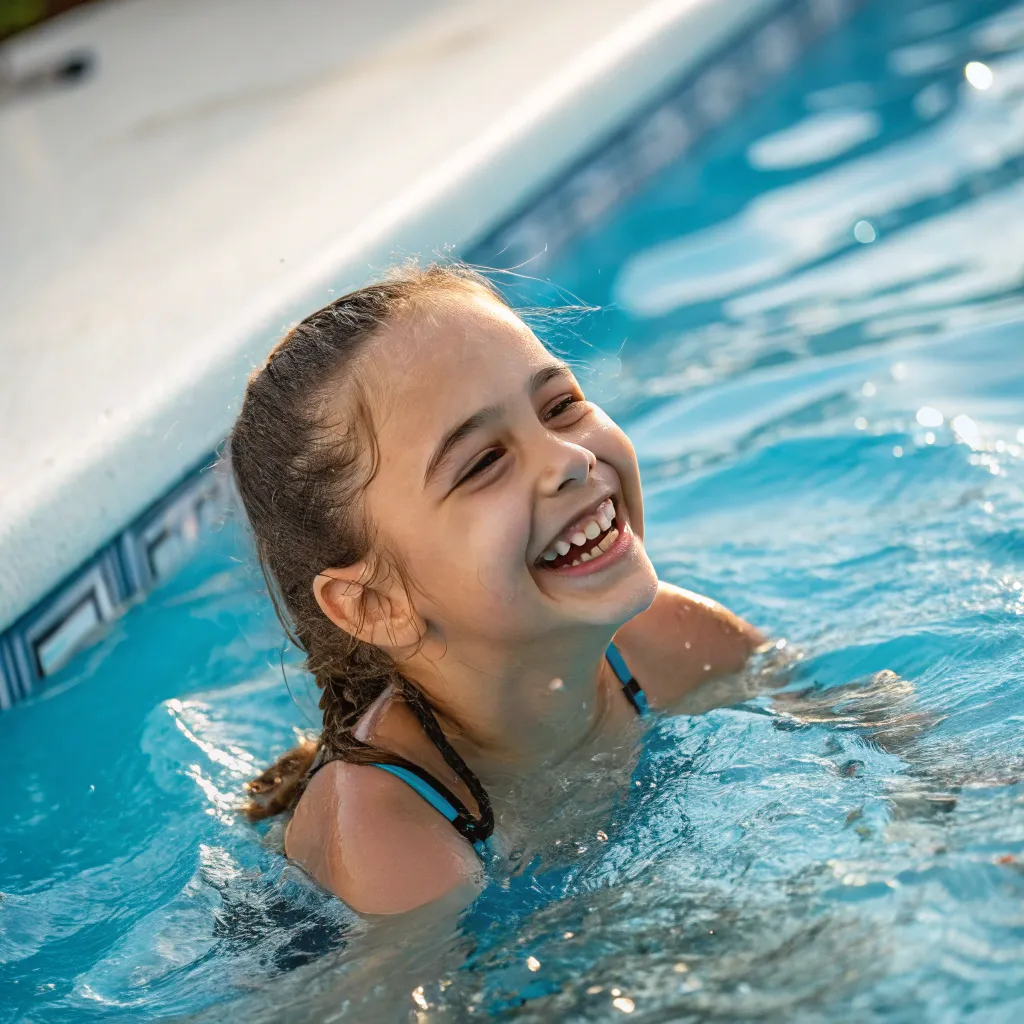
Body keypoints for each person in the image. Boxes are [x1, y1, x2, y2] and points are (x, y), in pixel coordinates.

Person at [230, 263, 762, 915]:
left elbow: (867, 731)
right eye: (484, 462)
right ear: (377, 603)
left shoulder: (677, 643)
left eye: (561, 406)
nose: (569, 459)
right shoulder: (390, 836)